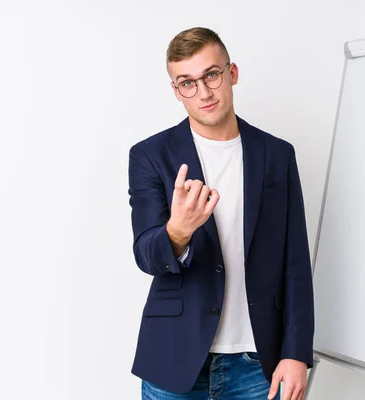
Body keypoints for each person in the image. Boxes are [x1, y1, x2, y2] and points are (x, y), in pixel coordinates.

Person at [127, 27, 314, 400]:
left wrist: (296, 353)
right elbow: (146, 255)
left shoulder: (277, 155)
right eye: (187, 83)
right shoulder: (150, 155)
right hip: (174, 360)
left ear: (232, 73)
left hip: (259, 363)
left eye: (211, 75)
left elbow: (295, 262)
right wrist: (177, 231)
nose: (203, 92)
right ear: (176, 91)